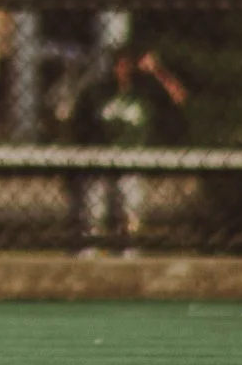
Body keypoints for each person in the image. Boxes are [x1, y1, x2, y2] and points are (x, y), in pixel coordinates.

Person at [67, 46, 186, 254]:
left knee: (129, 211)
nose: (118, 70)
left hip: (132, 159)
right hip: (98, 159)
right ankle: (87, 253)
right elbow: (77, 126)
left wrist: (157, 70)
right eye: (116, 65)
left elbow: (179, 96)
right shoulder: (96, 92)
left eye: (124, 65)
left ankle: (126, 252)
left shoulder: (144, 94)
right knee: (92, 213)